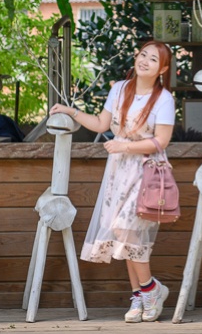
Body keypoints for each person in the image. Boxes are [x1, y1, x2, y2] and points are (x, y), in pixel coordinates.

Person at [50, 40, 176, 323]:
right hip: (118, 171)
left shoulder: (164, 98)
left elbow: (162, 141)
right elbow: (100, 124)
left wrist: (126, 147)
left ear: (163, 69)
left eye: (153, 59)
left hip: (146, 171)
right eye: (142, 54)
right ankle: (140, 296)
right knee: (122, 233)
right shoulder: (119, 88)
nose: (144, 61)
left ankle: (150, 290)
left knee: (127, 229)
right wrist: (71, 111)